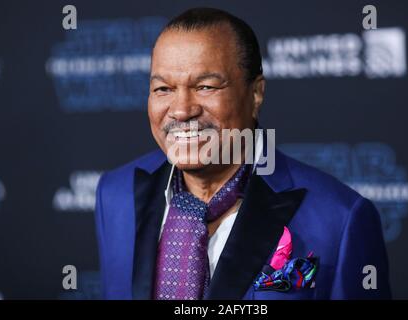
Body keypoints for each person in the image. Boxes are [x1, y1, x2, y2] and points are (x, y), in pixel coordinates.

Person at [94, 7, 391, 300]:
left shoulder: (339, 219)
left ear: (255, 94)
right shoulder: (115, 195)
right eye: (162, 89)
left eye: (206, 86)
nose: (182, 110)